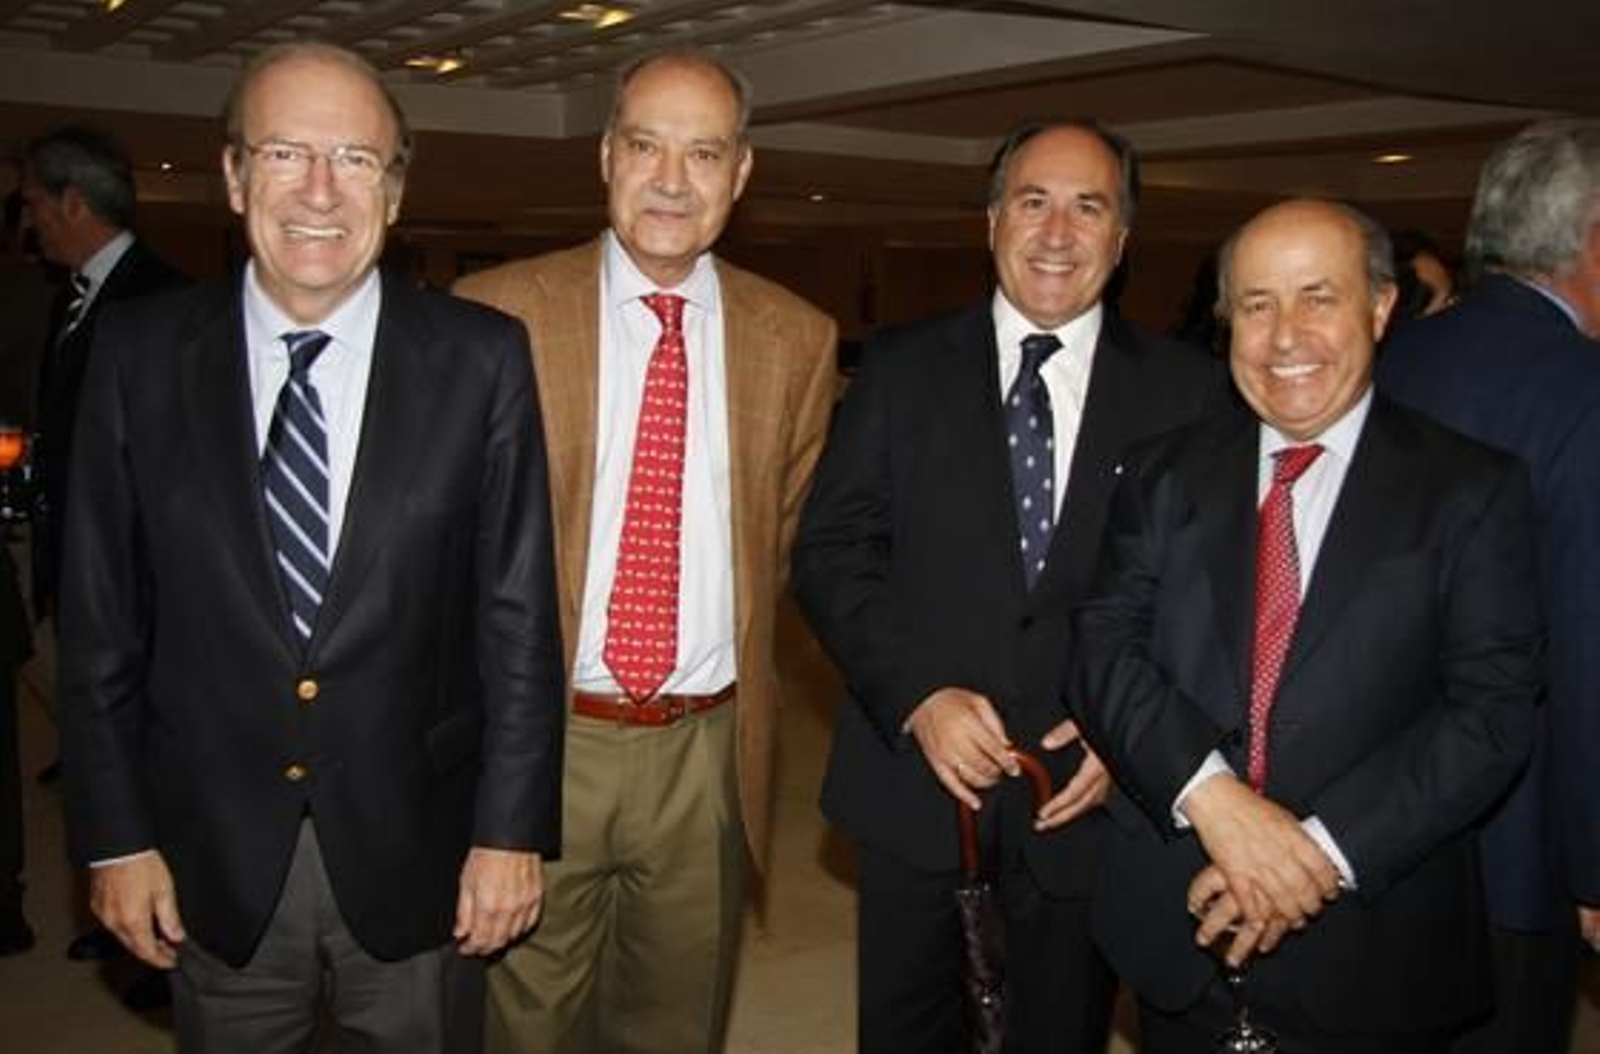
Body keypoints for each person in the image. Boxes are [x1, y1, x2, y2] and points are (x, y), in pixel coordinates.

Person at [57, 41, 564, 1053]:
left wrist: (510, 832)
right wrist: (116, 837)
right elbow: (99, 622)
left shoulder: (481, 358)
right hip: (213, 855)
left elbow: (516, 621)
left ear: (397, 185)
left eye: (358, 159)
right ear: (235, 174)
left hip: (422, 849)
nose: (321, 191)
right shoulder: (136, 356)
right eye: (287, 154)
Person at [791, 120, 1223, 1054]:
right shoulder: (901, 368)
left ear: (1122, 236)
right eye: (1033, 201)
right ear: (992, 221)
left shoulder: (1190, 392)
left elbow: (1208, 599)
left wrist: (1138, 740)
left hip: (1089, 807)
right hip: (918, 794)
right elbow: (829, 550)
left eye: (1088, 207)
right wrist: (915, 695)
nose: (1057, 232)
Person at [1072, 198, 1542, 1054]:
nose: (1286, 336)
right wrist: (1214, 802)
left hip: (1375, 940)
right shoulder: (1161, 473)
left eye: (1318, 297)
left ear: (1381, 305)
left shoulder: (1473, 491)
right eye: (1257, 304)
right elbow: (1103, 648)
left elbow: (1492, 713)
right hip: (1178, 924)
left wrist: (1314, 855)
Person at [453, 47, 837, 1054]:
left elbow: (786, 534)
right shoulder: (492, 313)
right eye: (646, 146)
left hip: (705, 753)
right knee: (520, 1027)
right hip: (541, 741)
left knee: (674, 1028)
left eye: (703, 153)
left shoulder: (796, 338)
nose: (672, 180)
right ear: (605, 156)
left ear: (740, 173)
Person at [1378, 119, 1600, 1054]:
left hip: (1384, 810)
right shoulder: (1582, 388)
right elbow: (1589, 642)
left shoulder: (1399, 359)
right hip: (1526, 829)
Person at [20, 128, 187, 621]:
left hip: (130, 575)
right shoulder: (70, 300)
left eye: (34, 203)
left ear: (72, 203)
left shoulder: (163, 301)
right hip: (81, 563)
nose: (30, 222)